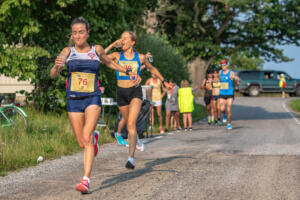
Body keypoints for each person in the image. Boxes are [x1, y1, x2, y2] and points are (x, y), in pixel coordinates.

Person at [50, 18, 139, 193]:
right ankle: (94, 140)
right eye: (74, 32)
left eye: (81, 32)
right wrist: (56, 66)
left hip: (92, 98)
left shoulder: (96, 50)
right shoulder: (67, 51)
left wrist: (129, 72)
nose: (78, 35)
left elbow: (111, 63)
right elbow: (54, 73)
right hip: (73, 100)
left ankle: (85, 180)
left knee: (86, 135)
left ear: (87, 33)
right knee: (82, 142)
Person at [104, 31, 170, 170]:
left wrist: (164, 82)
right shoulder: (116, 56)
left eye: (125, 38)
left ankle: (131, 158)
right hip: (121, 92)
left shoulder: (140, 58)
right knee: (128, 123)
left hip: (135, 92)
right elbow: (99, 58)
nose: (122, 40)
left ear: (132, 42)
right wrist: (111, 45)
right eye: (121, 38)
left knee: (132, 124)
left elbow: (153, 68)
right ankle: (136, 141)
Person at [218, 60, 240, 130]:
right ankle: (224, 115)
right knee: (222, 109)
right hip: (222, 93)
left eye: (224, 65)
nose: (223, 66)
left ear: (227, 65)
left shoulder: (231, 72)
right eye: (221, 65)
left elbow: (237, 79)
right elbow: (218, 81)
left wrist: (236, 79)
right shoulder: (220, 72)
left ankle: (229, 123)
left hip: (230, 93)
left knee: (228, 109)